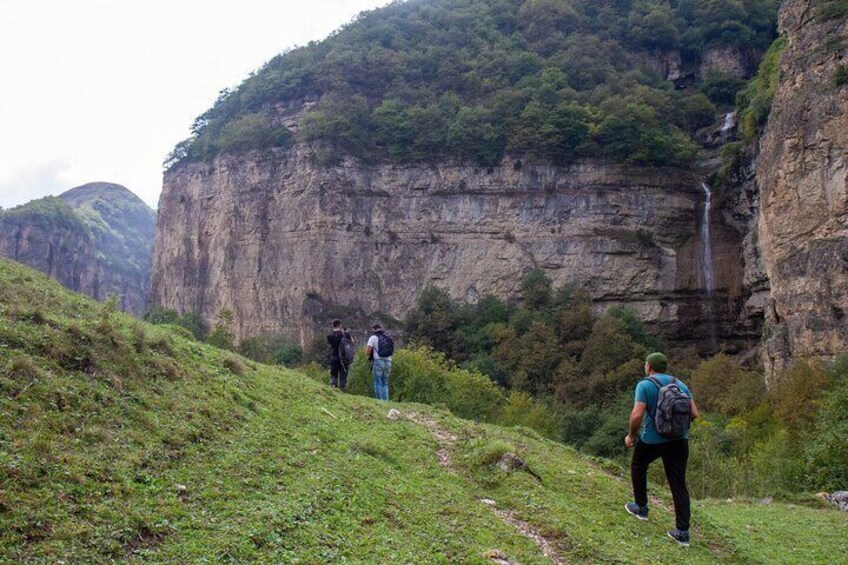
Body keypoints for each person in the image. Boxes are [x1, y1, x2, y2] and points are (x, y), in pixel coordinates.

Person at [624, 352, 700, 547]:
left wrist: (631, 436)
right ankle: (682, 533)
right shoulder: (680, 385)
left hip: (652, 439)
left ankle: (641, 508)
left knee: (638, 466)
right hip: (679, 441)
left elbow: (636, 415)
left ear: (649, 366)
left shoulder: (645, 385)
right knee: (678, 483)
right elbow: (695, 414)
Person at [366, 323, 392, 400]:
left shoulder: (373, 337)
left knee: (378, 382)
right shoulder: (388, 337)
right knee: (385, 383)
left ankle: (379, 401)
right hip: (388, 361)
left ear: (373, 330)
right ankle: (386, 401)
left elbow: (367, 352)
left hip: (378, 361)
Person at [326, 319, 346, 391]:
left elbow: (330, 344)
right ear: (340, 325)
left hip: (334, 357)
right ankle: (342, 390)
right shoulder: (344, 335)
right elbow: (352, 341)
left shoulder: (329, 336)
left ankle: (333, 389)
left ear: (333, 325)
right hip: (343, 359)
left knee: (334, 375)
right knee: (343, 376)